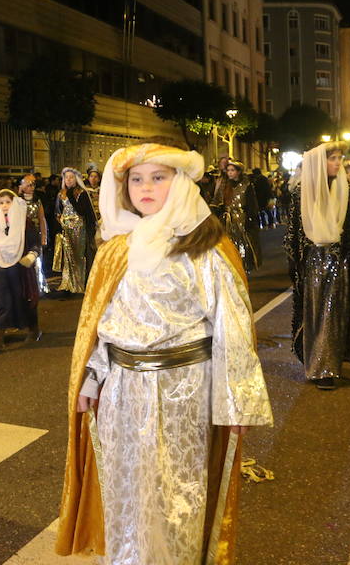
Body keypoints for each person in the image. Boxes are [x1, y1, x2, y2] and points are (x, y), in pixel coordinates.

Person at [56, 143, 273, 564]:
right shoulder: (115, 247)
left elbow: (232, 326)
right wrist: (93, 375)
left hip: (185, 390)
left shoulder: (206, 246)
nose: (146, 187)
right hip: (122, 391)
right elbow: (105, 325)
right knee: (126, 489)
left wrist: (237, 401)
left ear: (180, 182)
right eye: (136, 179)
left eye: (158, 177)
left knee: (177, 494)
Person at [284, 142, 350, 390]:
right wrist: (293, 262)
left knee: (333, 315)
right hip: (311, 264)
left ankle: (328, 368)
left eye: (339, 158)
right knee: (313, 315)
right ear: (318, 162)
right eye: (332, 158)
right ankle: (316, 364)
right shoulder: (302, 192)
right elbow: (293, 231)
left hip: (340, 263)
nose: (337, 162)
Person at [0, 190, 40, 353]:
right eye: (1, 202)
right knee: (4, 301)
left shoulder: (25, 221)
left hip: (21, 267)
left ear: (14, 203)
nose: (4, 206)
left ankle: (33, 329)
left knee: (24, 298)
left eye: (7, 202)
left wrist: (31, 255)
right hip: (3, 267)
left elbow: (35, 243)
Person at [213, 160, 262, 273]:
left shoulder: (246, 186)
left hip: (241, 219)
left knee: (243, 242)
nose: (229, 173)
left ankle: (243, 264)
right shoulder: (224, 185)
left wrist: (250, 219)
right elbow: (217, 200)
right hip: (226, 219)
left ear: (239, 172)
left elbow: (251, 204)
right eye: (228, 170)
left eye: (232, 170)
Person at [53, 168, 97, 294]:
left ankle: (80, 283)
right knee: (68, 256)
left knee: (79, 256)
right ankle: (69, 283)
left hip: (79, 228)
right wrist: (61, 223)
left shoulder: (81, 192)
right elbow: (58, 211)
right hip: (66, 228)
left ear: (76, 179)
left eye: (71, 177)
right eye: (66, 177)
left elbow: (84, 212)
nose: (68, 180)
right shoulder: (61, 193)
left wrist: (72, 197)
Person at [18, 174, 49, 293]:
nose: (32, 187)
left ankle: (39, 285)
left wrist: (44, 236)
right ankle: (26, 287)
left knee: (37, 261)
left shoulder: (37, 200)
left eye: (33, 184)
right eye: (28, 184)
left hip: (35, 234)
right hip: (23, 235)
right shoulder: (18, 200)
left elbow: (42, 219)